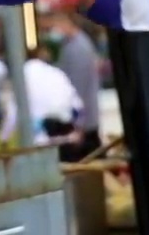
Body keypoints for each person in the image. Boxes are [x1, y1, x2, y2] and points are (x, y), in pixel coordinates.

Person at [42, 12, 103, 161]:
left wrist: (78, 125)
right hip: (82, 121)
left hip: (83, 123)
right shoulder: (71, 46)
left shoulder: (78, 49)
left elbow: (77, 89)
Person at [22, 46, 82, 147]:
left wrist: (4, 138)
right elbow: (77, 105)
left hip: (39, 137)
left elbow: (14, 111)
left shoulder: (23, 74)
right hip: (65, 131)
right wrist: (79, 128)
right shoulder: (57, 73)